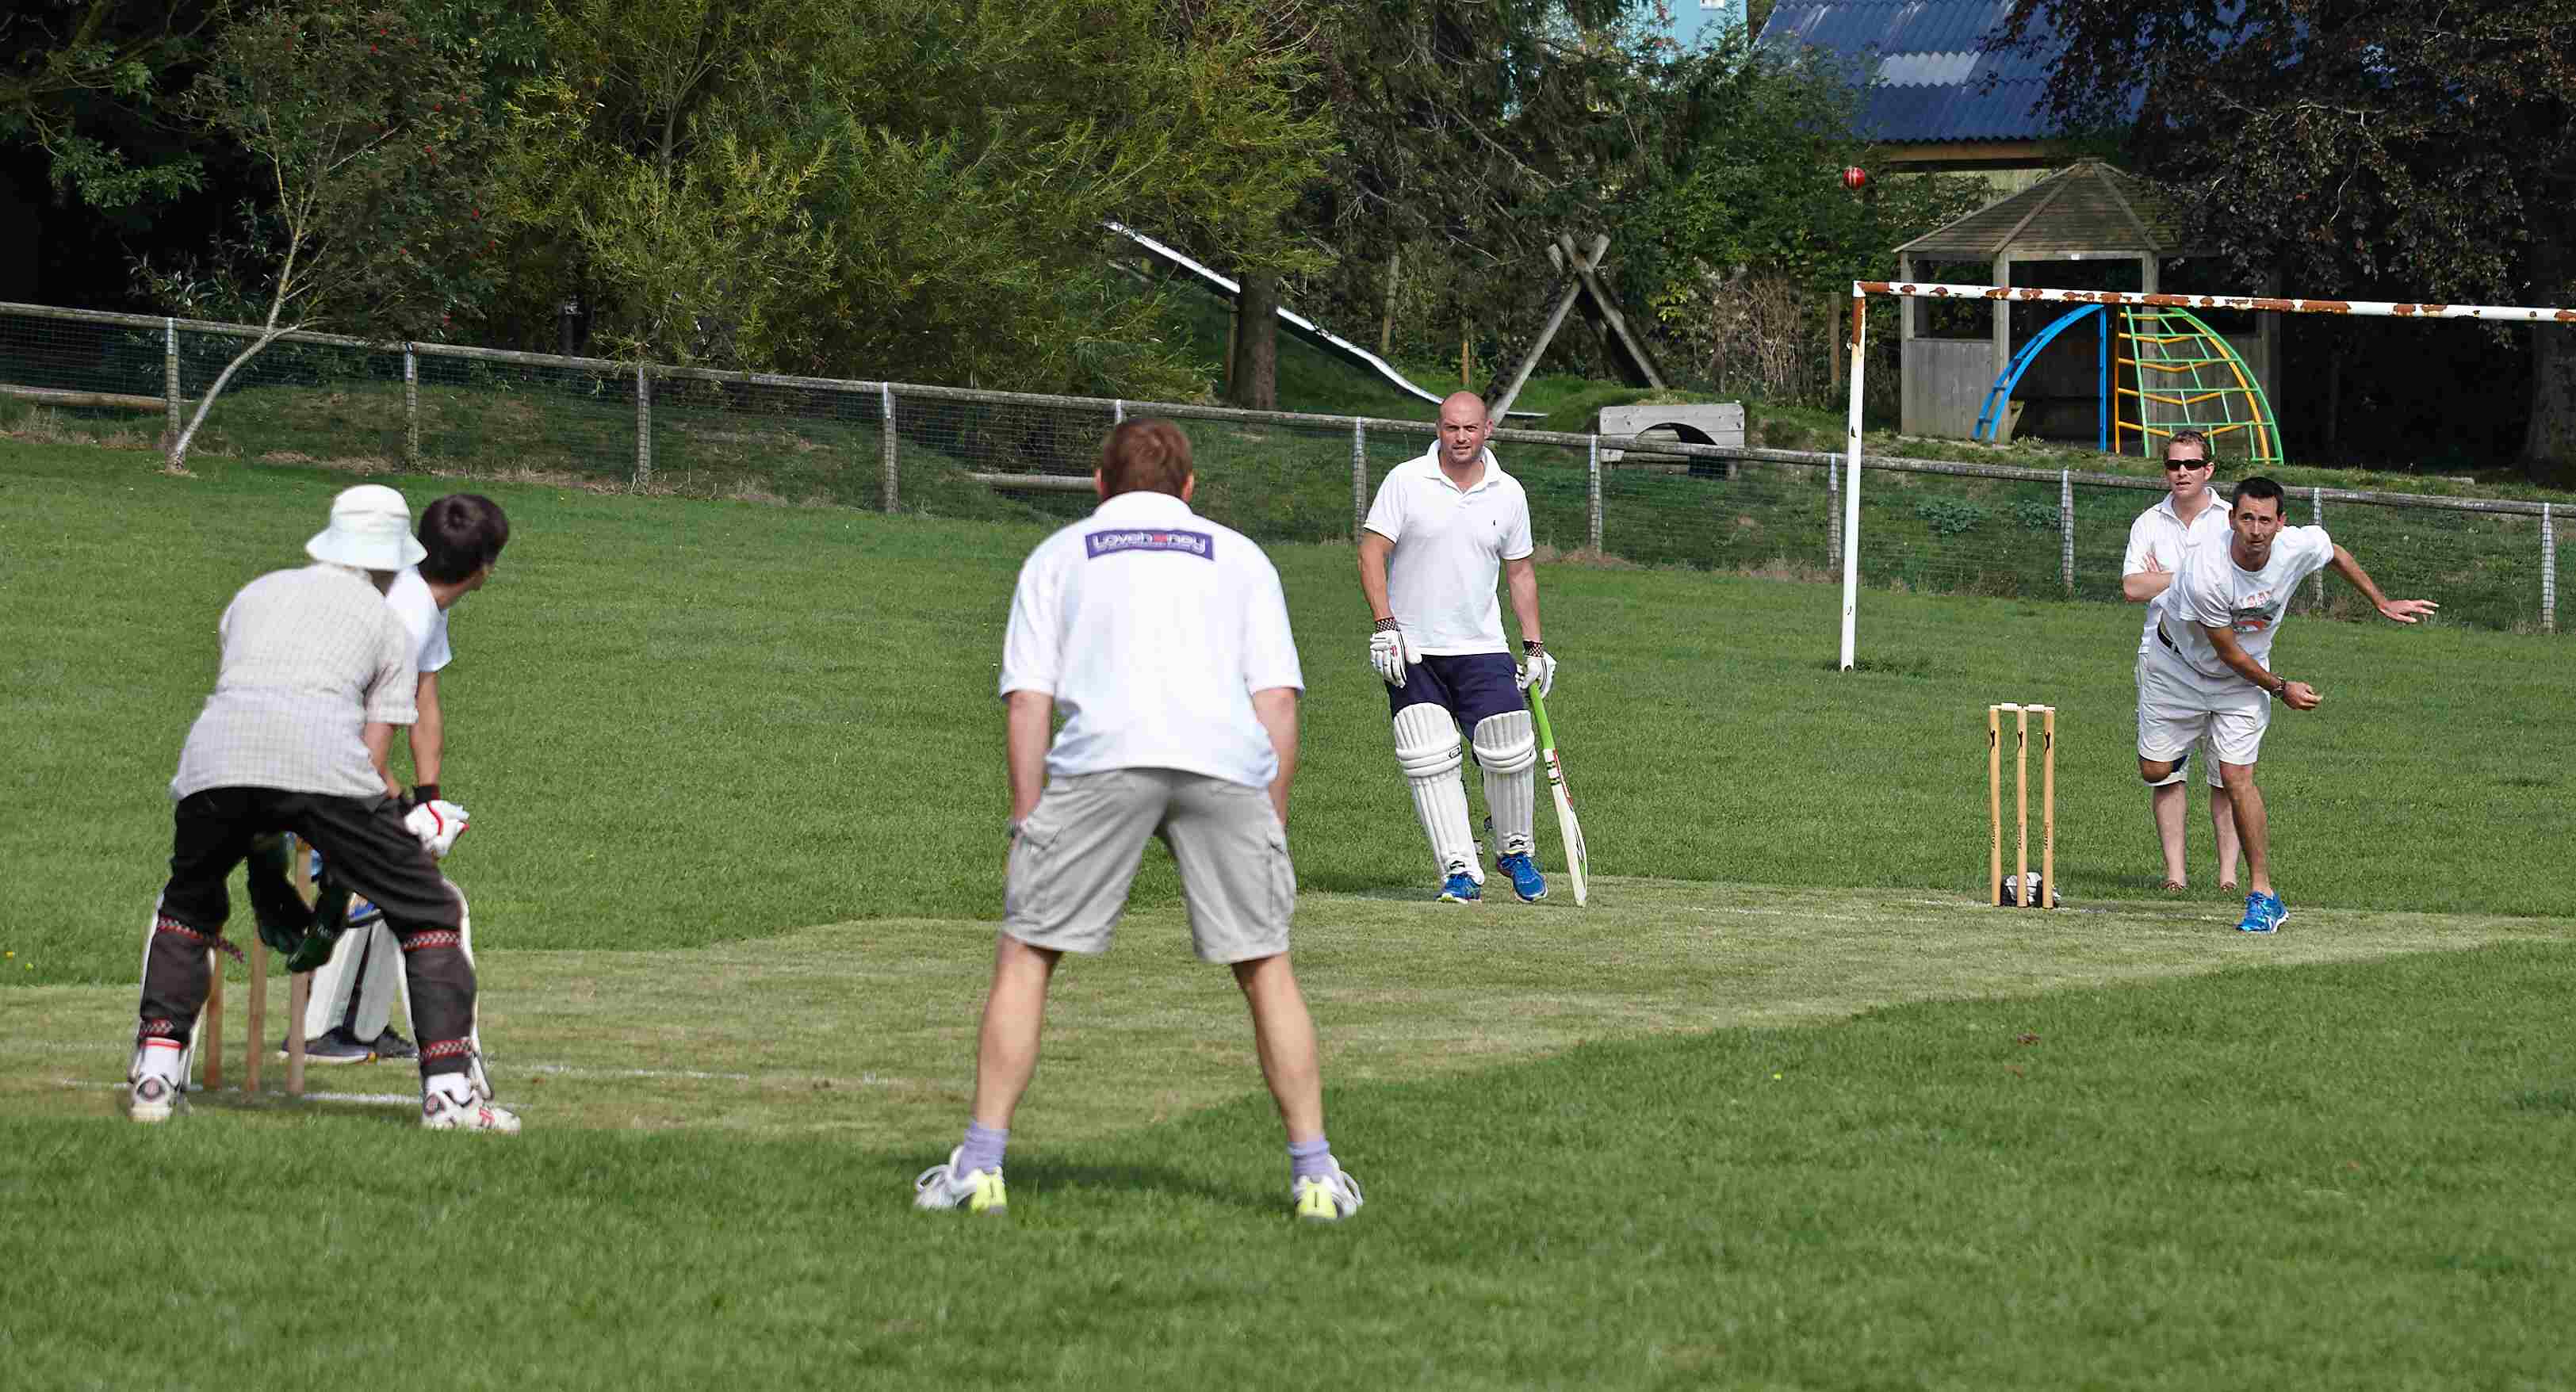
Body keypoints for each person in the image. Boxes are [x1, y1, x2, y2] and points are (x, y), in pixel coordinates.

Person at [913, 419, 1363, 1220]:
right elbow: (1278, 703)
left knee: (1027, 956)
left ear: (1098, 484)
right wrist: (1273, 823)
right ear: (1190, 489)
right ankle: (1317, 1176)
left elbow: (1028, 700)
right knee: (1266, 966)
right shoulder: (1241, 558)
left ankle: (979, 1168)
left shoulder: (1057, 556)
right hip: (1225, 761)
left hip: (1102, 758)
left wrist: (1028, 821)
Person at [127, 484, 518, 1131]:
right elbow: (366, 762)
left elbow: (253, 719)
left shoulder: (254, 593)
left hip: (211, 760)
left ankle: (155, 1075)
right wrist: (411, 822)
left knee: (190, 902)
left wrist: (263, 870)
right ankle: (450, 1096)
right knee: (429, 909)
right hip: (323, 767)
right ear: (396, 555)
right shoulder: (390, 623)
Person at [2139, 476, 2437, 934]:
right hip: (2178, 668)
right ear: (2231, 519)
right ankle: (2191, 737)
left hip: (2241, 684)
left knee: (2238, 779)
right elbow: (2227, 652)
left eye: (2265, 520)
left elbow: (2333, 552)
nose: (2255, 530)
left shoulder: (2297, 544)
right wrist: (2281, 688)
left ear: (2281, 522)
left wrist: (2380, 600)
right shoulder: (2206, 572)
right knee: (2155, 772)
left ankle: (2264, 895)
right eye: (2246, 519)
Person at [292, 494, 509, 1065]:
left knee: (389, 872)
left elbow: (424, 696)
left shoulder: (422, 602)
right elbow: (371, 721)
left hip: (349, 754)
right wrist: (393, 798)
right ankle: (318, 1031)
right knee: (358, 881)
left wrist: (429, 798)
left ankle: (360, 1026)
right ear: (485, 565)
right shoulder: (404, 615)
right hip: (325, 760)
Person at [1356, 390, 1556, 904]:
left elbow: (1520, 572)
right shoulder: (1405, 481)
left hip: (1482, 642)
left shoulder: (1507, 492)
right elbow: (1372, 552)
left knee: (1509, 746)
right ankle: (1457, 871)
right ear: (1438, 429)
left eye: (1469, 429)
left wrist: (1533, 647)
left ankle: (1513, 851)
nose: (1460, 438)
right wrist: (1385, 626)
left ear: (1487, 429)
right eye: (1450, 428)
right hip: (1414, 646)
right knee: (1427, 753)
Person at [2120, 430, 2241, 894]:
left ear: (2208, 470)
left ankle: (2229, 877)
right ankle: (2176, 875)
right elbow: (2133, 588)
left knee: (2227, 773)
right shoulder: (2148, 523)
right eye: (2174, 465)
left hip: (2225, 658)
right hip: (2163, 657)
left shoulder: (2232, 519)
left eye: (2191, 465)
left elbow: (2240, 586)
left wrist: (2166, 578)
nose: (2182, 473)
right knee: (2163, 773)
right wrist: (2194, 576)